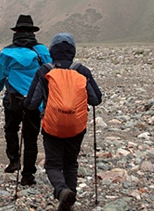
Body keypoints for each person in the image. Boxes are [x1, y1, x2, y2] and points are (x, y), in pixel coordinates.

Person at [25, 33, 102, 211]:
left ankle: (61, 191)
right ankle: (70, 195)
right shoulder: (82, 71)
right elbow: (96, 99)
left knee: (52, 164)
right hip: (76, 125)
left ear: (52, 50)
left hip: (53, 124)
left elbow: (31, 104)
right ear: (73, 51)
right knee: (71, 163)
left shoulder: (45, 71)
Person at [0, 14, 52, 186]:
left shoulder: (7, 52)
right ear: (32, 32)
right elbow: (50, 71)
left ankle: (14, 161)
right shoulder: (41, 51)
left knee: (11, 129)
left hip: (13, 99)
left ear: (16, 31)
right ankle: (28, 174)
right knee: (31, 136)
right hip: (35, 100)